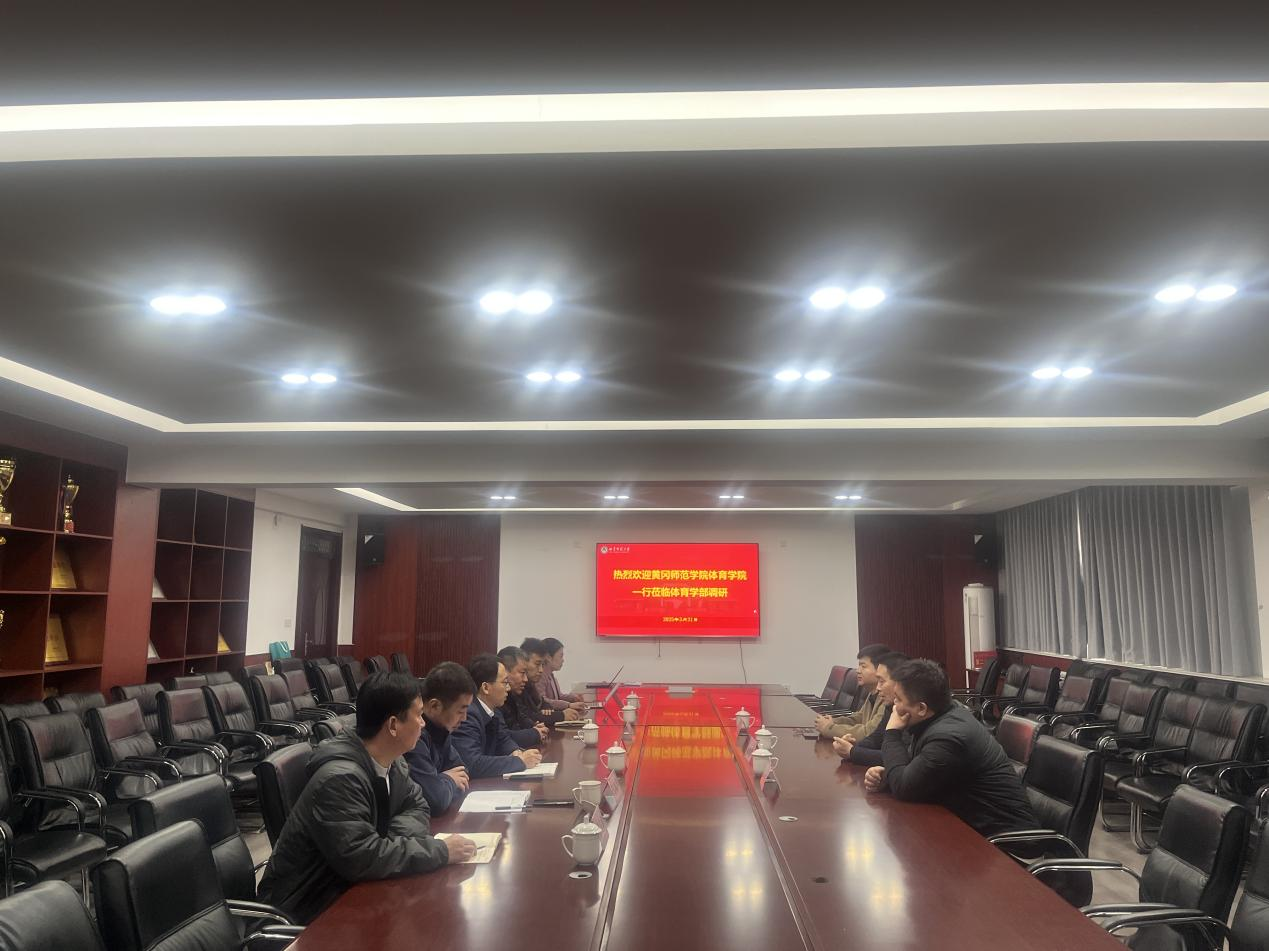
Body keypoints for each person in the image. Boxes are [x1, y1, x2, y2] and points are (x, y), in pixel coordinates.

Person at [257, 672, 477, 924]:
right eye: (418, 715)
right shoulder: (340, 779)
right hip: (308, 906)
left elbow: (417, 806)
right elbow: (361, 858)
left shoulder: (394, 761)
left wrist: (388, 842)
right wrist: (440, 851)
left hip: (350, 887)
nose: (423, 723)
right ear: (393, 725)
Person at [863, 659, 1037, 838]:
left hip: (1008, 844)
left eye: (899, 699)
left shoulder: (949, 737)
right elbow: (913, 771)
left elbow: (904, 788)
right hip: (972, 830)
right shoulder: (938, 717)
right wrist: (890, 776)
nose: (894, 705)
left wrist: (892, 733)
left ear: (921, 708)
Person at [451, 653, 543, 779]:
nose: (508, 688)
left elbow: (503, 739)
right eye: (505, 682)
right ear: (485, 687)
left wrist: (515, 752)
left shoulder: (494, 710)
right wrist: (519, 761)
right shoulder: (468, 714)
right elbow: (472, 764)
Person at [403, 661, 474, 815]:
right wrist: (449, 780)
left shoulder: (441, 728)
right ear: (435, 706)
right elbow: (435, 800)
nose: (464, 718)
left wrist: (440, 782)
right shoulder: (414, 735)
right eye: (460, 711)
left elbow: (463, 772)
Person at [833, 651, 908, 767]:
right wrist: (852, 746)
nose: (878, 688)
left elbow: (900, 758)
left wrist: (852, 752)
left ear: (900, 683)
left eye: (882, 681)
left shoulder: (912, 712)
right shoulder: (891, 707)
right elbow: (876, 738)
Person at [814, 643, 890, 739]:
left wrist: (829, 728)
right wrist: (833, 722)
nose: (858, 670)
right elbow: (859, 718)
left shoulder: (887, 697)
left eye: (863, 666)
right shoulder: (872, 692)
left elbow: (868, 733)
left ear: (879, 669)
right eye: (859, 666)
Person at [497, 646, 550, 746]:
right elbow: (502, 738)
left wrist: (533, 726)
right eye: (522, 673)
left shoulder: (513, 695)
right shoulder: (496, 700)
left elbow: (522, 717)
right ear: (505, 672)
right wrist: (534, 733)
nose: (525, 679)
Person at [520, 638, 581, 723]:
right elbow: (529, 716)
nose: (541, 670)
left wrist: (572, 698)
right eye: (537, 664)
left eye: (542, 664)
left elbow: (543, 703)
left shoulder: (534, 682)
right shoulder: (531, 681)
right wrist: (563, 712)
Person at [538, 636, 586, 709]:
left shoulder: (550, 675)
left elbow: (558, 696)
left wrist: (573, 697)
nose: (563, 660)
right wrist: (568, 705)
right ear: (548, 657)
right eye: (561, 656)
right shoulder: (539, 676)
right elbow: (542, 701)